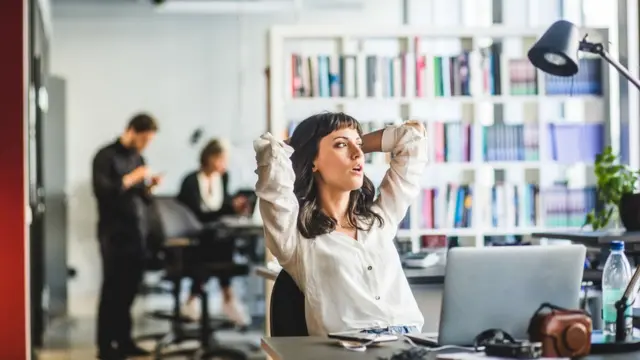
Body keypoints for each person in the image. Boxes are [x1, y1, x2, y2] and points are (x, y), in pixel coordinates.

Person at [253, 112, 427, 336]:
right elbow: (271, 152)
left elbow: (412, 137)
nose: (358, 154)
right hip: (349, 348)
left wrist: (351, 147)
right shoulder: (295, 238)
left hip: (410, 342)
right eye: (341, 145)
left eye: (360, 145)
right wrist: (303, 147)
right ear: (313, 161)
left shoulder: (379, 220)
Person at [92, 113, 162, 360]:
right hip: (113, 234)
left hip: (137, 234)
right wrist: (132, 178)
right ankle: (105, 345)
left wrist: (149, 186)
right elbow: (103, 192)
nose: (145, 146)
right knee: (112, 290)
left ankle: (124, 341)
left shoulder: (138, 157)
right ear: (132, 131)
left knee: (129, 291)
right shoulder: (105, 156)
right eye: (143, 139)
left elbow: (141, 197)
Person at [176, 139, 250, 325]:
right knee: (216, 243)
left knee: (221, 239)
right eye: (222, 159)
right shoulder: (191, 181)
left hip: (214, 237)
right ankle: (228, 296)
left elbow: (222, 208)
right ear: (210, 158)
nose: (224, 164)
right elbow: (193, 214)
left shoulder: (223, 179)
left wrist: (235, 207)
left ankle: (195, 296)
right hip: (194, 236)